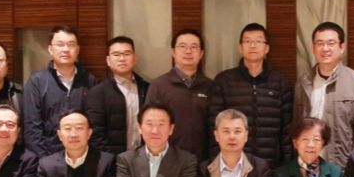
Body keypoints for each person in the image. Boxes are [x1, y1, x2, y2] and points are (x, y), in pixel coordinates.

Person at [206, 23, 294, 166]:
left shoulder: (281, 83)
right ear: (240, 47)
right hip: (233, 164)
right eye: (247, 41)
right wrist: (217, 163)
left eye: (258, 41)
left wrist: (286, 166)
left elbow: (287, 131)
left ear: (267, 48)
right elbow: (214, 126)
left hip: (270, 165)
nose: (253, 45)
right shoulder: (224, 81)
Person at [294, 22, 354, 167]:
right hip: (307, 163)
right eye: (320, 43)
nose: (325, 48)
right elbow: (297, 125)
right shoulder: (303, 82)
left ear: (341, 47)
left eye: (331, 43)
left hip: (342, 166)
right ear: (313, 48)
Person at [22, 25, 98, 156]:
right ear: (50, 49)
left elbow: (95, 123)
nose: (66, 49)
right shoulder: (37, 82)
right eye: (60, 44)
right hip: (47, 158)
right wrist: (46, 160)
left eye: (71, 45)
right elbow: (31, 128)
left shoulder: (90, 81)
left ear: (78, 49)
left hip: (84, 156)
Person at [146, 29, 213, 160]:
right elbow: (149, 126)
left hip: (203, 160)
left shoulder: (210, 86)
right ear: (173, 52)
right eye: (182, 46)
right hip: (168, 160)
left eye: (194, 47)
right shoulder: (159, 85)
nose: (188, 51)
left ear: (201, 54)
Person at [86, 36, 148, 155]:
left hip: (144, 158)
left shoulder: (147, 89)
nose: (122, 58)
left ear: (134, 58)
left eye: (127, 54)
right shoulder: (97, 92)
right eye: (116, 54)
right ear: (108, 60)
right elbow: (95, 133)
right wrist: (110, 159)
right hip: (113, 160)